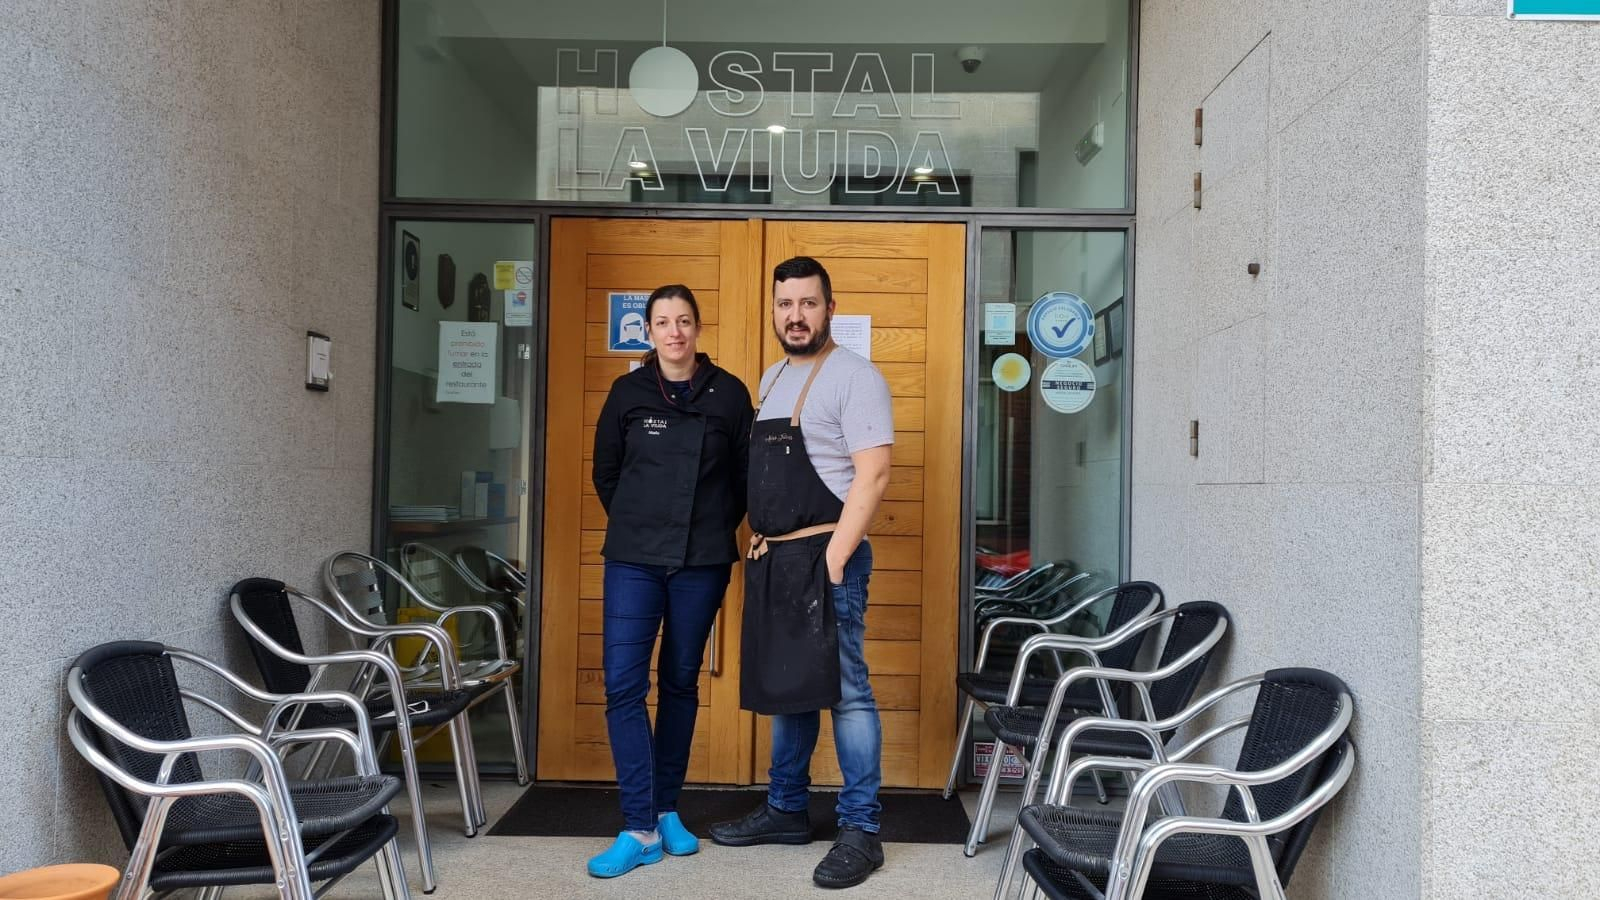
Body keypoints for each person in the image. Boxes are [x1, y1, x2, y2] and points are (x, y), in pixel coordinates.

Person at [709, 256, 894, 890]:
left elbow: (872, 475)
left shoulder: (855, 377)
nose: (796, 315)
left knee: (847, 692)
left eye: (808, 303)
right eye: (786, 305)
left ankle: (861, 829)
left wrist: (837, 557)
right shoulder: (774, 376)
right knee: (788, 688)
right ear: (775, 311)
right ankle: (787, 809)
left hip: (826, 556)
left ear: (829, 308)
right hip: (776, 558)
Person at [588, 284, 754, 878]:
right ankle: (637, 826)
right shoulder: (627, 392)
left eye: (684, 321)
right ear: (650, 331)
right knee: (624, 687)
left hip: (702, 560)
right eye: (663, 322)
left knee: (680, 683)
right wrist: (641, 521)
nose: (674, 332)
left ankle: (666, 810)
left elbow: (745, 479)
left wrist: (708, 528)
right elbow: (605, 472)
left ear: (698, 328)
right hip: (633, 558)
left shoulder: (730, 394)